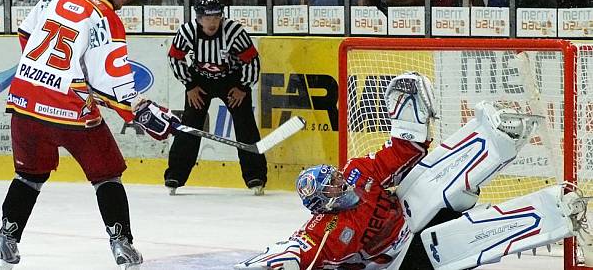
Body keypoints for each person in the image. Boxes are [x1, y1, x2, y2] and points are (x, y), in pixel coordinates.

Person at [235, 72, 587, 270]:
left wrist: (412, 123)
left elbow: (406, 151)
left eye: (336, 176)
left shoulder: (359, 172)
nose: (342, 183)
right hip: (397, 262)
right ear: (321, 206)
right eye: (332, 188)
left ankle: (495, 136)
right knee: (449, 244)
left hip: (410, 215)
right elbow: (293, 251)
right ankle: (553, 214)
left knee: (453, 191)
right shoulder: (326, 232)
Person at [0, 0, 178, 270]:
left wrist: (55, 76)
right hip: (71, 113)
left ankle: (5, 240)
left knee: (28, 176)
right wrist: (142, 111)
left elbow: (25, 35)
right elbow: (111, 81)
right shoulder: (106, 17)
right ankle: (122, 245)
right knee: (107, 175)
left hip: (24, 102)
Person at [164, 0, 267, 196]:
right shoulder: (187, 32)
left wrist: (243, 88)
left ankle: (255, 175)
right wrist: (190, 85)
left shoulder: (234, 31)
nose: (212, 22)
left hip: (232, 82)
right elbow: (175, 58)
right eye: (207, 17)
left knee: (245, 125)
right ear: (198, 17)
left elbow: (252, 60)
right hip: (199, 82)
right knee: (189, 126)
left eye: (216, 16)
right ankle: (175, 174)